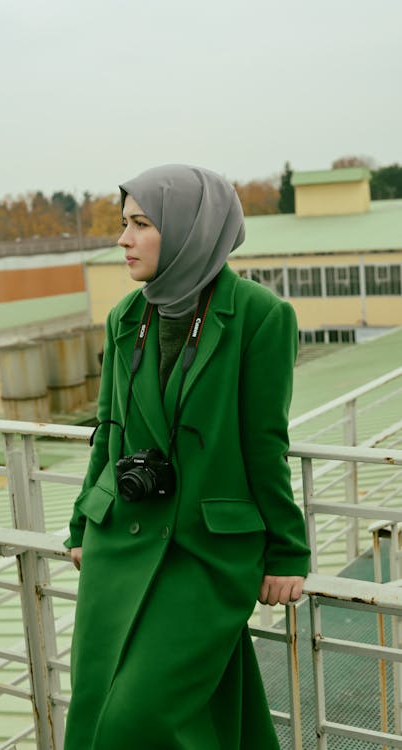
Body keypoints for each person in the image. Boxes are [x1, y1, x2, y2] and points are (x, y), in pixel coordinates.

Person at [64, 164, 310, 749]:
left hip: (206, 551)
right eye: (123, 224)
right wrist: (80, 522)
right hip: (117, 542)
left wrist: (287, 550)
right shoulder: (127, 316)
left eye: (141, 224)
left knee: (135, 719)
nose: (123, 239)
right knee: (95, 703)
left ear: (189, 230)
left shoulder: (259, 317)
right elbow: (109, 431)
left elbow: (264, 443)